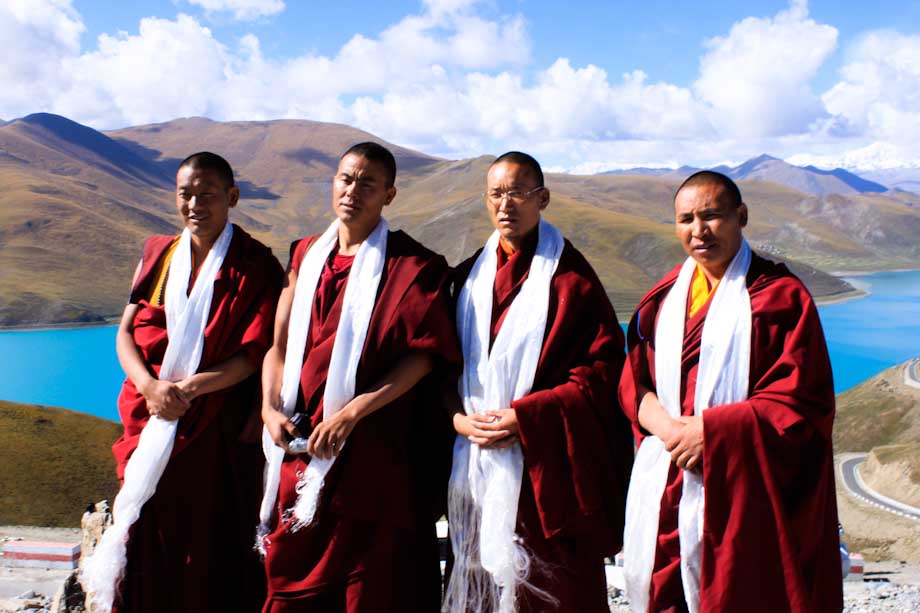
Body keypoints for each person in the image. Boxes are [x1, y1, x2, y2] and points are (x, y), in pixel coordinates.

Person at [619, 171, 842, 612]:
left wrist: (714, 431)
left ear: (741, 216)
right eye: (686, 219)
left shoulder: (779, 298)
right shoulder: (663, 299)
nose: (698, 231)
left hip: (744, 493)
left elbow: (802, 404)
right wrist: (669, 430)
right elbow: (634, 382)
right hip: (671, 476)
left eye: (712, 216)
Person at [258, 142, 461, 613]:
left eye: (368, 183)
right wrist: (269, 408)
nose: (353, 191)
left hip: (374, 459)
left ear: (389, 194)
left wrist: (352, 413)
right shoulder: (306, 257)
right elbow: (280, 346)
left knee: (369, 590)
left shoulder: (413, 267)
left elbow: (424, 359)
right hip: (302, 449)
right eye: (346, 179)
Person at [85, 152, 283, 613]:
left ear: (231, 197)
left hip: (212, 426)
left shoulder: (255, 264)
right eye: (185, 194)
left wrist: (188, 391)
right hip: (153, 417)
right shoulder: (158, 254)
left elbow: (254, 354)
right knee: (148, 533)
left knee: (213, 541)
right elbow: (126, 333)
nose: (194, 204)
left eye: (207, 194)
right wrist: (151, 388)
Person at [444, 151, 634, 613]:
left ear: (542, 198)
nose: (505, 205)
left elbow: (602, 372)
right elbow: (441, 363)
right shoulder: (466, 278)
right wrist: (457, 420)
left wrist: (526, 417)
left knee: (551, 592)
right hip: (474, 462)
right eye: (495, 194)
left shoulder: (572, 280)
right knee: (479, 583)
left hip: (545, 471)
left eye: (518, 193)